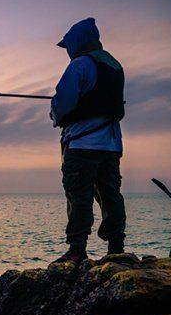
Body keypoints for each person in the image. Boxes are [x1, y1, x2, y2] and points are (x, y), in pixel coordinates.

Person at [50, 18, 126, 264]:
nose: (67, 51)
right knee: (110, 194)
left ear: (76, 42)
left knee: (78, 194)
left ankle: (77, 250)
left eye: (68, 45)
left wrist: (54, 112)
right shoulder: (115, 65)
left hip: (82, 144)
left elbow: (63, 104)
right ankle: (116, 248)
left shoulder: (80, 65)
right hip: (112, 144)